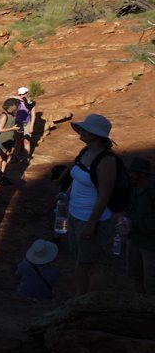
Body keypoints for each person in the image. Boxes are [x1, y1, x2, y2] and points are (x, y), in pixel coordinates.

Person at [66, 114, 117, 296]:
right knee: (80, 260)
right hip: (75, 215)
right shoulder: (85, 152)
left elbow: (104, 196)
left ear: (96, 135)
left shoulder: (107, 161)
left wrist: (90, 224)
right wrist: (66, 196)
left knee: (93, 266)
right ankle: (80, 298)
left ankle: (93, 302)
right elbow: (78, 177)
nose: (81, 130)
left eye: (86, 129)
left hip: (91, 220)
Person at [118, 158, 155, 294]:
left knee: (151, 283)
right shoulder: (134, 188)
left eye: (133, 172)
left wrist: (133, 224)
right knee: (136, 277)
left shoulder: (152, 191)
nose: (130, 175)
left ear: (142, 174)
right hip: (134, 240)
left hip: (150, 245)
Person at [0, 98, 21, 184]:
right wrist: (12, 128)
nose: (17, 107)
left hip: (10, 140)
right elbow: (0, 129)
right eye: (16, 105)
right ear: (12, 106)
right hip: (2, 140)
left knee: (6, 158)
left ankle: (2, 175)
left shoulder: (13, 115)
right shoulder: (4, 116)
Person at [15, 87, 36, 161]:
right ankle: (16, 156)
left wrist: (31, 126)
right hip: (18, 123)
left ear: (27, 93)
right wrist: (17, 98)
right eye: (20, 95)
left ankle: (26, 158)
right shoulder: (17, 102)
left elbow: (33, 115)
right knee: (17, 141)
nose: (21, 96)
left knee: (26, 141)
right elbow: (9, 98)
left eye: (23, 94)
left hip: (27, 123)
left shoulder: (31, 103)